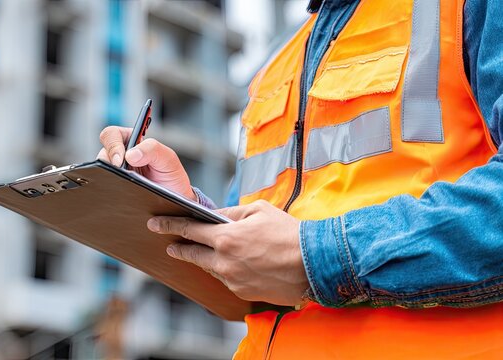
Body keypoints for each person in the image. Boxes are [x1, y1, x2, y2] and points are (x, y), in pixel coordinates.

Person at [99, 0, 503, 358]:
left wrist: (316, 257)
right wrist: (187, 212)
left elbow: (296, 252)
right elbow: (250, 278)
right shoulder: (276, 67)